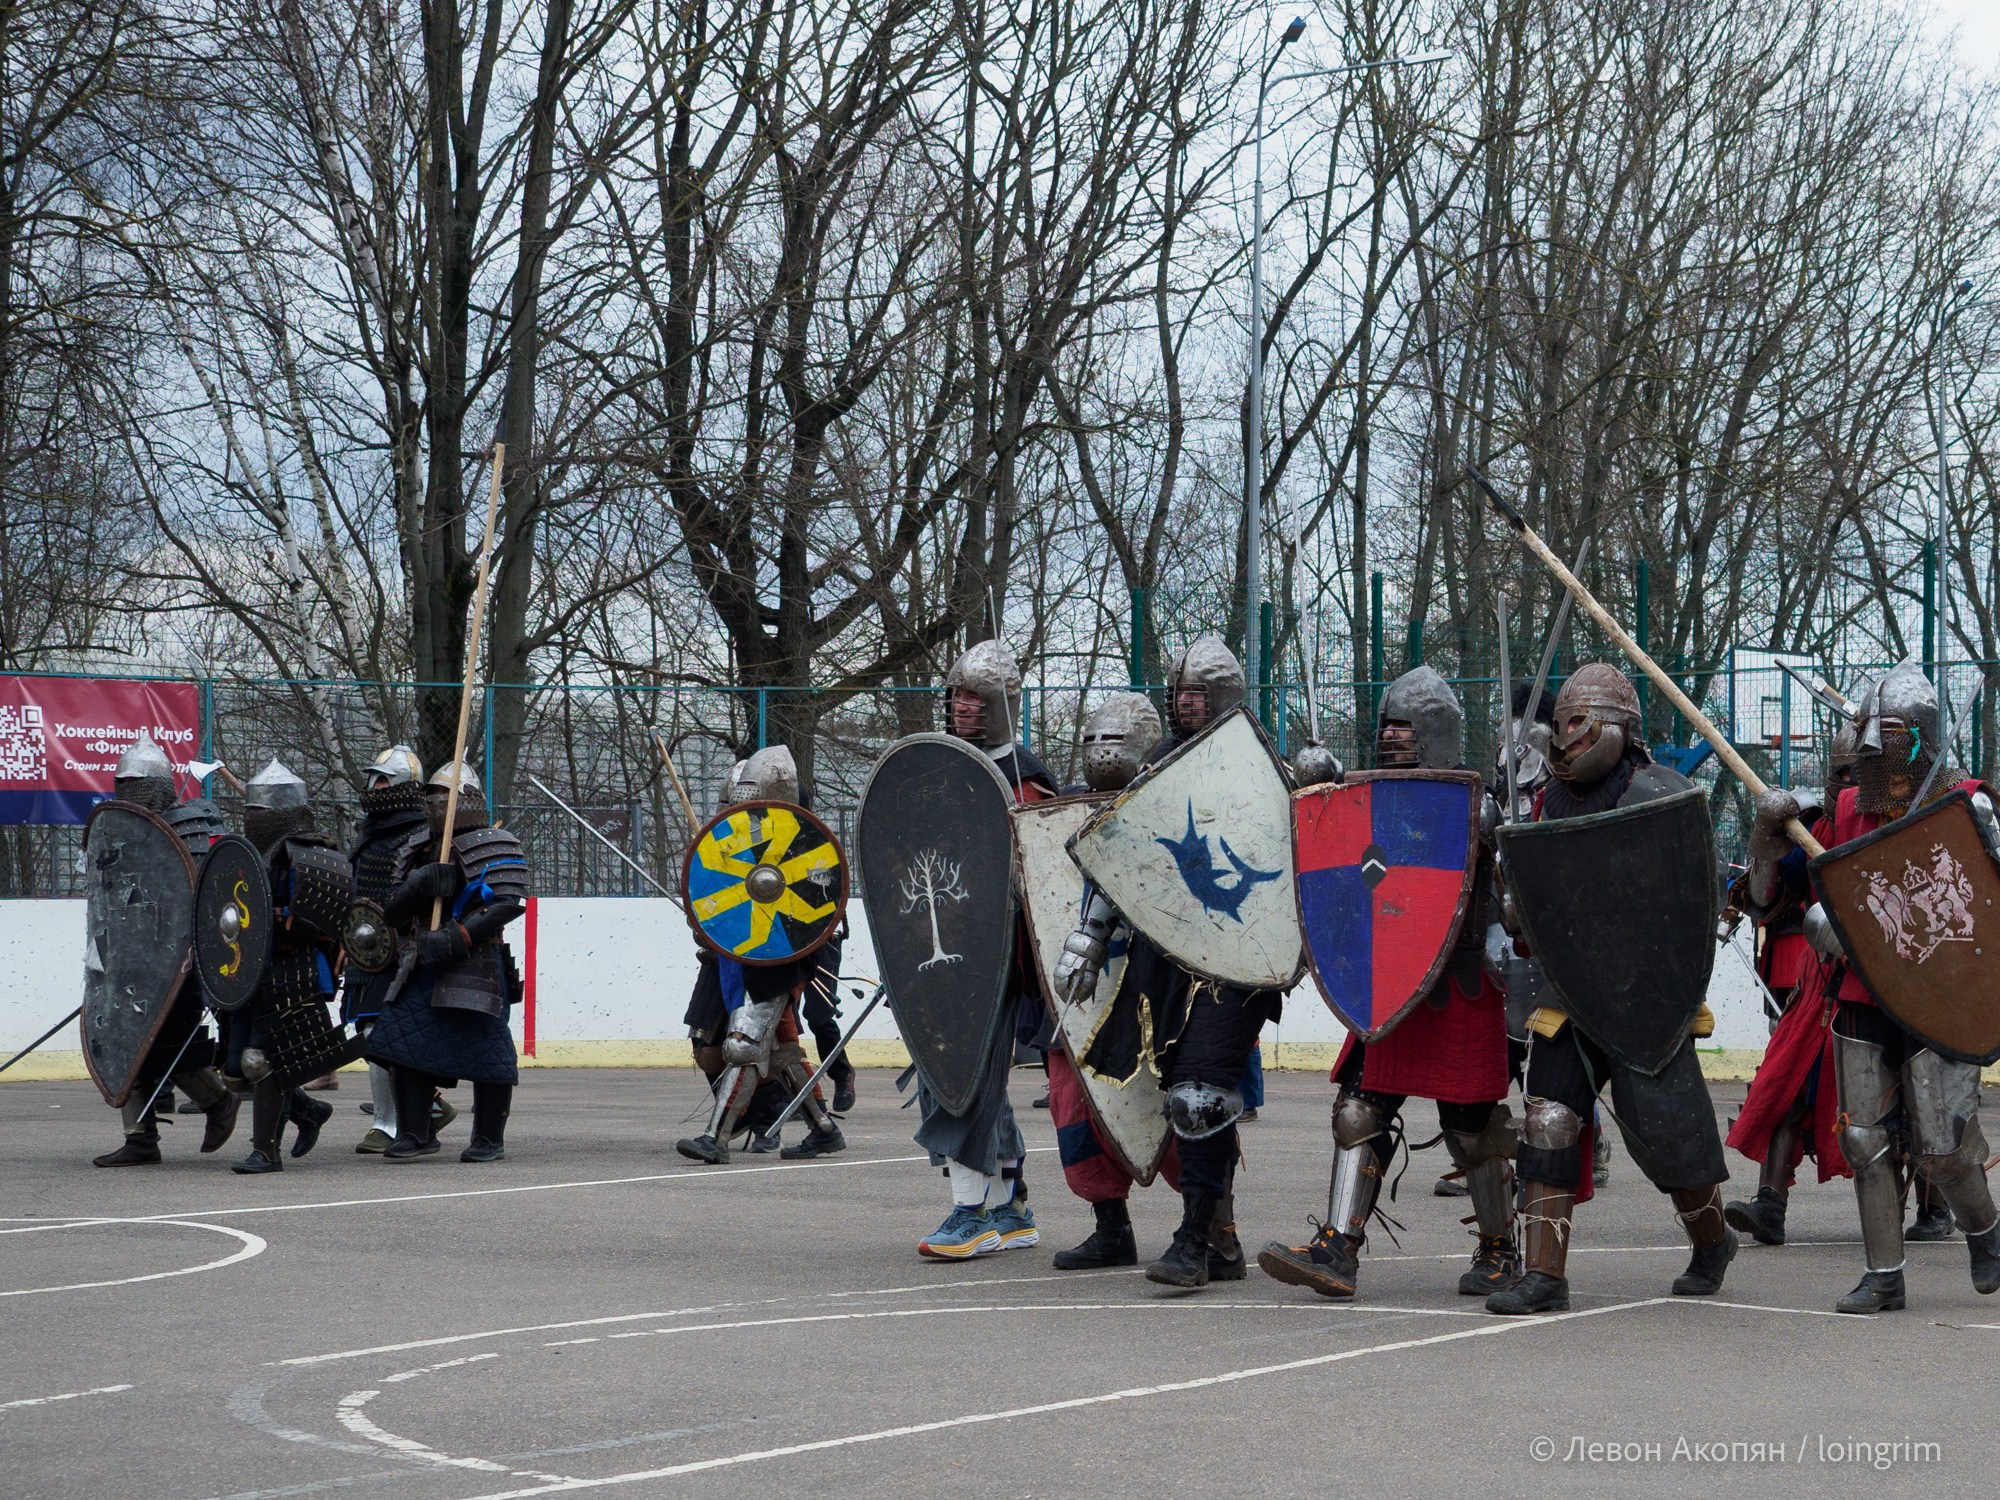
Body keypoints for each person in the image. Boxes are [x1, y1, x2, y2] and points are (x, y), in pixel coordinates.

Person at [1746, 662, 2000, 1313]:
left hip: (1937, 993)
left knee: (1943, 1145)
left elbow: (1984, 910)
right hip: (1858, 993)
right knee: (1864, 1138)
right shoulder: (1847, 808)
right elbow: (1768, 900)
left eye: (1887, 731)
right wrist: (1766, 841)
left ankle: (1989, 1234)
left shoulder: (1966, 804)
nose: (1871, 745)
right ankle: (1884, 1274)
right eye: (1868, 730)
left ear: (1917, 736)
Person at [1259, 667, 1520, 1301]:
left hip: (1458, 981)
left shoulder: (1475, 807)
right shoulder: (1366, 797)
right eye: (1386, 728)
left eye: (1402, 729)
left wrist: (1500, 852)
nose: (1390, 738)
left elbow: (1510, 901)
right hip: (1390, 978)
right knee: (1358, 1109)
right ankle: (1338, 1248)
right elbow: (1349, 878)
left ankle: (1500, 1250)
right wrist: (1320, 794)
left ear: (1433, 734)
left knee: (1472, 1124)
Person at [1485, 664, 1736, 1314]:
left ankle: (1712, 1241)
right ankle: (1544, 1275)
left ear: (1618, 727)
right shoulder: (1545, 800)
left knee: (1667, 1133)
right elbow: (1532, 914)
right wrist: (1516, 897)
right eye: (1562, 725)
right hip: (1566, 993)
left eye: (1580, 724)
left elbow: (1692, 895)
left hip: (1643, 995)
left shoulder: (1657, 792)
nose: (1567, 738)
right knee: (1549, 1120)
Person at [1057, 635, 1279, 1289]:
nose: (1186, 702)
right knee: (1182, 1094)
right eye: (1179, 691)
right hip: (1165, 956)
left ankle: (1191, 1243)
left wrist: (1318, 786)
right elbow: (1122, 858)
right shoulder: (1155, 764)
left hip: (1236, 960)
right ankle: (1223, 1240)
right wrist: (1089, 939)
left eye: (1198, 692)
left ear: (1224, 697)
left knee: (1199, 1094)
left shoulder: (1262, 764)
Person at [911, 640, 1057, 1259]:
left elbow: (1042, 876)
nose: (961, 706)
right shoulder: (935, 770)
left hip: (1002, 959)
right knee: (968, 1079)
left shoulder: (1025, 781)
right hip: (942, 956)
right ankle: (1011, 1205)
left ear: (1000, 705)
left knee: (961, 1079)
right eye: (956, 695)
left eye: (974, 696)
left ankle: (969, 1212)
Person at [1041, 692, 1189, 1270]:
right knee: (1074, 1104)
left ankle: (1209, 1223)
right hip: (1081, 991)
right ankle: (1109, 1226)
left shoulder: (1176, 806)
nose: (1103, 754)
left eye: (1116, 741)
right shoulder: (1062, 814)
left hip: (1160, 984)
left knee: (1183, 1103)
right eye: (1093, 741)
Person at [1723, 710, 1862, 1245]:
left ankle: (1933, 1204)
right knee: (1788, 1085)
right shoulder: (1815, 830)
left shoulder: (1905, 826)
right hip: (1821, 981)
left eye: (1857, 773)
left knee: (1906, 1104)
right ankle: (1770, 1204)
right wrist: (1764, 838)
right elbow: (1763, 899)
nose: (1847, 786)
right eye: (1840, 773)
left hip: (1890, 980)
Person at [675, 745, 847, 1163]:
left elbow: (815, 914)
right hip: (748, 959)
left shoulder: (803, 844)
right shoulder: (746, 841)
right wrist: (710, 922)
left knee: (743, 1045)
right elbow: (727, 901)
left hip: (780, 961)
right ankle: (824, 1129)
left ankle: (715, 1139)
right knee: (781, 1052)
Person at [364, 759, 529, 1163]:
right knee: (403, 1044)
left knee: (488, 1053)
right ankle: (414, 1132)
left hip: (477, 961)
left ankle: (489, 1137)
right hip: (421, 960)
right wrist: (420, 886)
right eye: (433, 795)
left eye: (447, 796)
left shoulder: (496, 842)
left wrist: (459, 936)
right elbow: (392, 912)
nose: (439, 803)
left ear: (468, 800)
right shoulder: (418, 845)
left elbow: (506, 903)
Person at [89, 734, 240, 1166]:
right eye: (121, 785)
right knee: (124, 1044)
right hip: (128, 963)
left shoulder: (196, 829)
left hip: (179, 964)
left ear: (157, 787)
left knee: (172, 1048)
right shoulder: (119, 833)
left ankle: (218, 1103)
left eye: (134, 785)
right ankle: (140, 1140)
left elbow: (219, 900)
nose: (125, 794)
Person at [230, 760, 346, 1173]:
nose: (252, 820)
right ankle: (309, 1111)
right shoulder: (243, 856)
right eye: (250, 812)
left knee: (262, 1059)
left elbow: (325, 923)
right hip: (247, 970)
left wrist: (274, 918)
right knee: (236, 1066)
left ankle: (265, 1151)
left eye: (261, 813)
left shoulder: (313, 857)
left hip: (293, 969)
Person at [345, 745, 434, 1153]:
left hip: (403, 950)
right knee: (370, 1036)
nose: (375, 786)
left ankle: (389, 1124)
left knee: (383, 1035)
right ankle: (429, 1109)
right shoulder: (368, 832)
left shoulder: (422, 832)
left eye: (384, 779)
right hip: (366, 949)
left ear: (403, 786)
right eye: (373, 778)